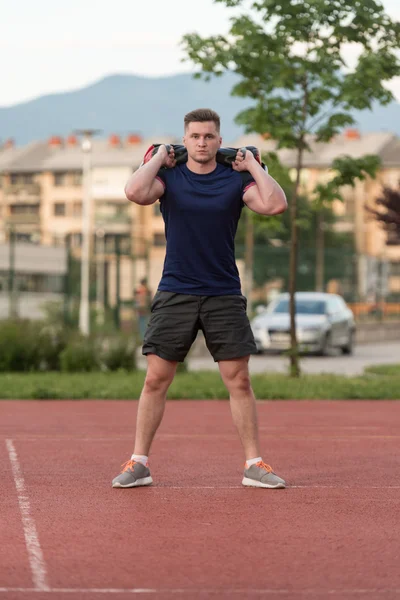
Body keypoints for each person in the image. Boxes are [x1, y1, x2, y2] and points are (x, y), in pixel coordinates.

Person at [113, 108, 288, 489]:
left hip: (223, 292)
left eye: (209, 136)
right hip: (176, 289)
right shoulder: (169, 178)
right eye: (195, 136)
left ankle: (254, 465)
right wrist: (159, 156)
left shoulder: (233, 180)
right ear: (185, 139)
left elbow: (275, 204)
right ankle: (138, 463)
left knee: (238, 379)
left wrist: (255, 165)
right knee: (156, 378)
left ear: (219, 141)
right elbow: (134, 192)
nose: (202, 142)